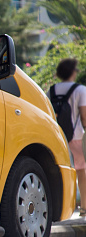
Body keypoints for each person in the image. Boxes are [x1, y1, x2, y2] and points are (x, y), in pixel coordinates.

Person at [49, 59, 86, 216]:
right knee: (82, 172)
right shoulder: (80, 90)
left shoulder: (52, 90)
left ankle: (61, 210)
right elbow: (84, 116)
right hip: (76, 136)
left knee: (60, 172)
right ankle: (84, 208)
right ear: (72, 72)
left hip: (58, 137)